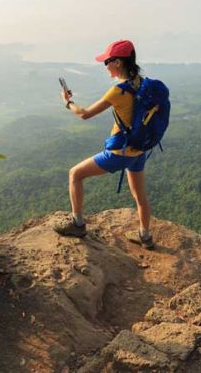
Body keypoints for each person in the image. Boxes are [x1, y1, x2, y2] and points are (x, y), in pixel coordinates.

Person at [53, 39, 155, 249]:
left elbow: (84, 114)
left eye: (107, 61)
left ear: (118, 62)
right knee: (140, 196)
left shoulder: (118, 91)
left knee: (75, 174)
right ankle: (145, 237)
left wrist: (67, 102)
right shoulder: (144, 84)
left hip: (120, 152)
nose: (106, 66)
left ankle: (77, 224)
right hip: (139, 150)